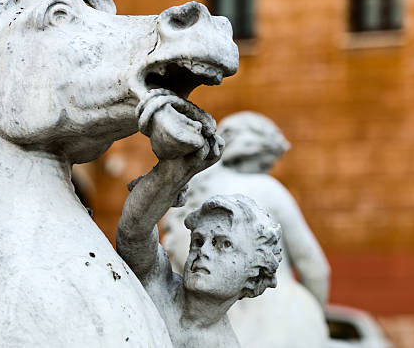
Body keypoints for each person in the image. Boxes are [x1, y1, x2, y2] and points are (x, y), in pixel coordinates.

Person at [162, 111, 331, 348]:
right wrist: (314, 314)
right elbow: (315, 268)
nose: (268, 168)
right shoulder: (269, 188)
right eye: (266, 163)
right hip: (279, 316)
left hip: (215, 321)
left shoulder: (195, 192)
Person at [116, 135, 282, 348]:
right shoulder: (156, 282)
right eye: (198, 240)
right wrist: (166, 180)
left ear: (253, 277)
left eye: (223, 244)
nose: (203, 251)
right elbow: (133, 234)